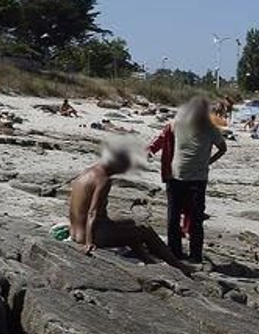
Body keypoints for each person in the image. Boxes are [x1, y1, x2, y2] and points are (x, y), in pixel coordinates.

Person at [68, 145, 190, 273]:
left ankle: (148, 260)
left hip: (75, 232)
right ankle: (179, 266)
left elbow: (75, 208)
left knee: (131, 223)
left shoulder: (86, 172)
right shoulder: (103, 180)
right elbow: (92, 212)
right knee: (145, 231)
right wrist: (89, 242)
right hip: (91, 235)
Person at [167, 97, 227, 263]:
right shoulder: (181, 124)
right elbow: (223, 149)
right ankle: (182, 254)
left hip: (190, 177)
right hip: (182, 177)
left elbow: (223, 148)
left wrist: (208, 162)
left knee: (189, 218)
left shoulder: (207, 128)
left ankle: (188, 254)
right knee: (180, 218)